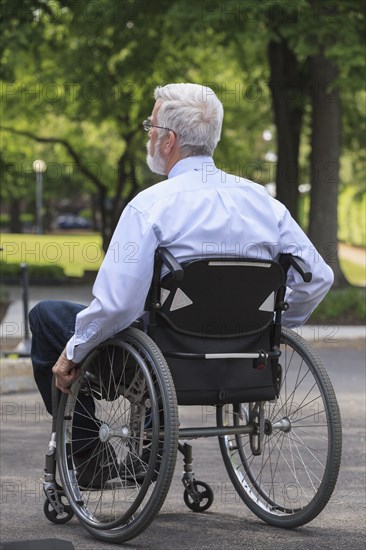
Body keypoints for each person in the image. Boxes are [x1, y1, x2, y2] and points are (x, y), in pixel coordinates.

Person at [29, 82, 333, 484]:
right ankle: (149, 441)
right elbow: (319, 277)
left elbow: (117, 305)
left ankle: (88, 455)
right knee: (155, 321)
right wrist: (271, 328)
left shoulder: (151, 206)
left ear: (168, 141)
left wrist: (72, 351)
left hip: (159, 362)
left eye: (149, 126)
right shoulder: (264, 203)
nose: (148, 135)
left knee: (47, 317)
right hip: (244, 360)